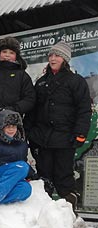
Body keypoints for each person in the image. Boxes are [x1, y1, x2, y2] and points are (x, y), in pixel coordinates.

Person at [25, 41, 91, 211]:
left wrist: (80, 134)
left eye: (57, 55)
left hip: (64, 139)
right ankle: (43, 215)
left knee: (64, 178)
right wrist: (29, 132)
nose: (53, 58)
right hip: (42, 139)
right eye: (51, 55)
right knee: (43, 179)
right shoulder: (40, 82)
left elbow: (84, 110)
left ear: (65, 59)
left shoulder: (76, 81)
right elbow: (32, 111)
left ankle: (69, 215)